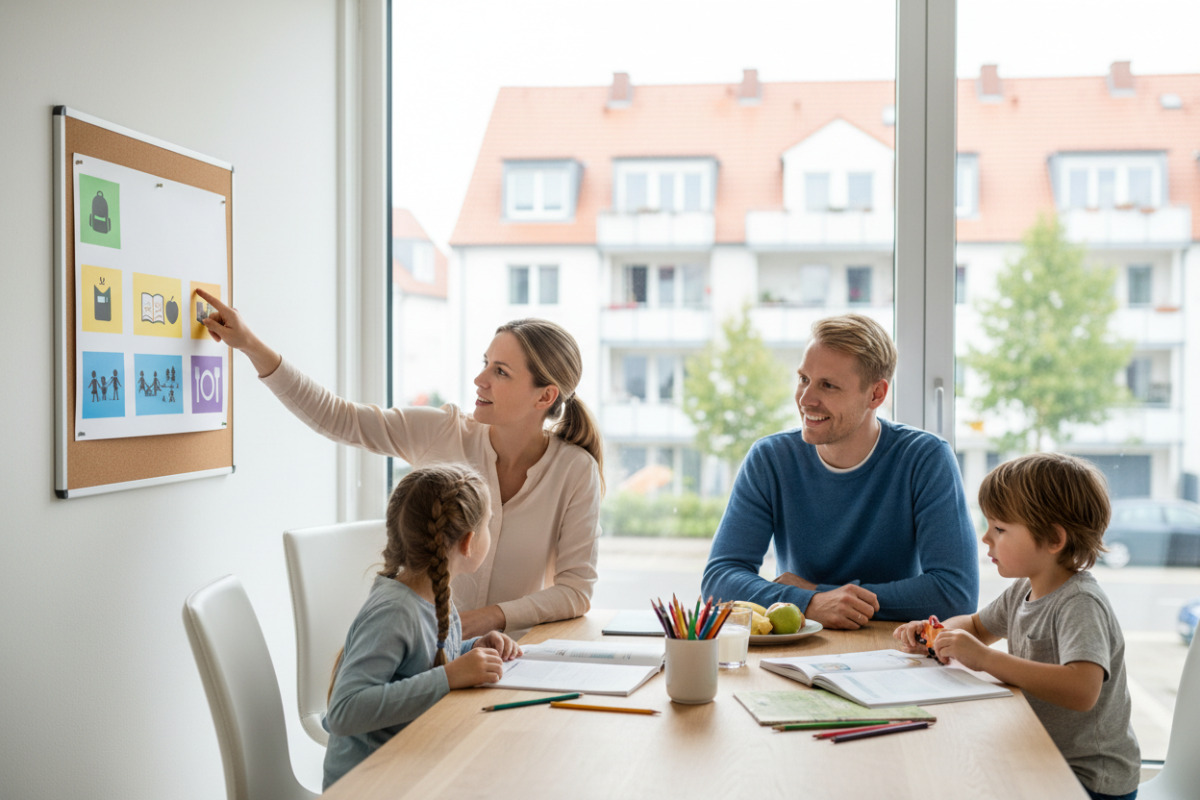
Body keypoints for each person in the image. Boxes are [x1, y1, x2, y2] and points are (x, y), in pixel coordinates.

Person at [195, 288, 603, 639]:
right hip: (424, 659)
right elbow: (338, 418)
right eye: (484, 363)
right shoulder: (442, 432)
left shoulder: (574, 471)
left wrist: (483, 620)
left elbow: (575, 591)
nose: (480, 379)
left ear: (544, 396)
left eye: (500, 371)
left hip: (514, 665)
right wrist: (250, 344)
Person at [701, 313, 978, 629]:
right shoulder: (770, 459)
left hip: (895, 651)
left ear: (876, 394)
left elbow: (956, 594)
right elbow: (719, 580)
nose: (806, 399)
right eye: (804, 379)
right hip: (800, 646)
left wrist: (815, 595)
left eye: (828, 385)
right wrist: (814, 603)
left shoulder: (925, 458)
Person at [893, 453, 1140, 800]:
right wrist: (936, 633)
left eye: (1000, 529)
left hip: (1089, 779)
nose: (985, 539)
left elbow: (1083, 690)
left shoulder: (1080, 603)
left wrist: (986, 660)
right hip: (1042, 753)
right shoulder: (1024, 589)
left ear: (1054, 539)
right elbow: (977, 627)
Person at [322, 463, 522, 789]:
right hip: (368, 785)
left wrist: (473, 650)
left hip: (409, 765)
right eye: (488, 524)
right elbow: (344, 711)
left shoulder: (431, 594)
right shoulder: (396, 612)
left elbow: (417, 662)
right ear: (469, 542)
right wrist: (450, 676)